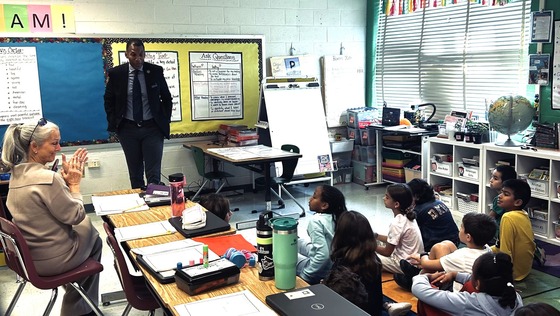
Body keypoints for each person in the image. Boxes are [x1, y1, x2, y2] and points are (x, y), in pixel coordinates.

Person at [1, 119, 102, 316]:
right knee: (93, 234)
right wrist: (73, 186)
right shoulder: (49, 178)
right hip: (54, 261)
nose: (59, 147)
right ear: (35, 147)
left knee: (88, 236)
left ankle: (79, 301)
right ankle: (78, 308)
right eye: (54, 143)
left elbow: (44, 204)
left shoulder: (16, 175)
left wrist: (62, 184)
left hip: (29, 259)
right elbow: (75, 215)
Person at [104, 38, 173, 190]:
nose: (138, 59)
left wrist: (164, 121)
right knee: (135, 173)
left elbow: (167, 98)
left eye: (141, 54)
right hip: (128, 129)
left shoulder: (155, 71)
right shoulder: (117, 74)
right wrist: (115, 123)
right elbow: (108, 100)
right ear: (127, 55)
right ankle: (139, 207)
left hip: (152, 129)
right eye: (134, 55)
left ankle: (155, 209)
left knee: (153, 174)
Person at [328, 210, 412, 316]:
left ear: (340, 235)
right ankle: (387, 305)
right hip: (374, 310)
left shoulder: (342, 262)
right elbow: (376, 298)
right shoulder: (373, 259)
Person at [401, 212, 496, 291]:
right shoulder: (487, 249)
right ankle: (418, 273)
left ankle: (416, 280)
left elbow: (427, 263)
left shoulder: (462, 256)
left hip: (456, 289)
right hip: (470, 282)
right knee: (447, 244)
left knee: (437, 248)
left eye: (462, 227)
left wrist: (423, 255)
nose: (460, 229)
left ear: (468, 237)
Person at [411, 252, 523, 315]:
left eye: (472, 273)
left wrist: (425, 276)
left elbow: (420, 290)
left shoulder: (468, 303)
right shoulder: (514, 297)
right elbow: (476, 281)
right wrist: (455, 275)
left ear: (478, 284)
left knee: (426, 301)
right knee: (469, 285)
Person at [297, 184, 347, 284]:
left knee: (287, 258)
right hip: (336, 266)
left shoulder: (316, 221)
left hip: (321, 271)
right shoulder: (339, 216)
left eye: (314, 197)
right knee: (298, 241)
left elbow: (323, 255)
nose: (310, 199)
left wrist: (306, 275)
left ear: (324, 205)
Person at [491, 179, 536, 281]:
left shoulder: (508, 217)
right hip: (524, 270)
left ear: (518, 202)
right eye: (501, 192)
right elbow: (501, 245)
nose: (500, 196)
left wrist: (505, 279)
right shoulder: (523, 213)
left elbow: (505, 252)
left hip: (513, 274)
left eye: (506, 194)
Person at [376, 183, 424, 275]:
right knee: (377, 242)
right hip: (414, 260)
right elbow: (394, 240)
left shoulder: (397, 223)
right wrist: (376, 236)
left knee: (368, 257)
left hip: (404, 264)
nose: (383, 198)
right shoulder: (408, 216)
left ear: (396, 204)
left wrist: (369, 246)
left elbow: (387, 252)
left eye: (387, 197)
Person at [407, 178, 459, 252]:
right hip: (455, 241)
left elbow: (409, 232)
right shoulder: (438, 202)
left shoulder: (418, 211)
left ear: (416, 196)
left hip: (438, 248)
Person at [488, 165, 517, 240]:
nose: (491, 180)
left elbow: (489, 218)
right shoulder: (513, 197)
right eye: (492, 177)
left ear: (505, 182)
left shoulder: (500, 199)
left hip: (500, 234)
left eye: (495, 178)